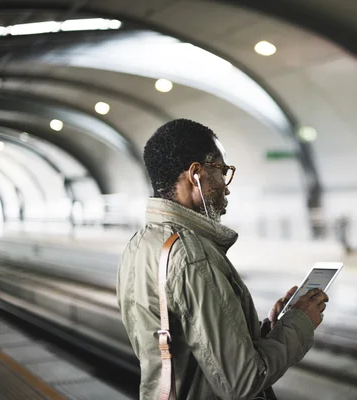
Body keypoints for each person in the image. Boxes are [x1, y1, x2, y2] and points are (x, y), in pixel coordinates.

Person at [117, 119, 329, 400]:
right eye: (222, 171)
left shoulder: (139, 245)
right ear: (196, 174)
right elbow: (242, 381)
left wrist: (272, 330)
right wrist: (300, 323)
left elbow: (198, 352)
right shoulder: (191, 257)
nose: (226, 187)